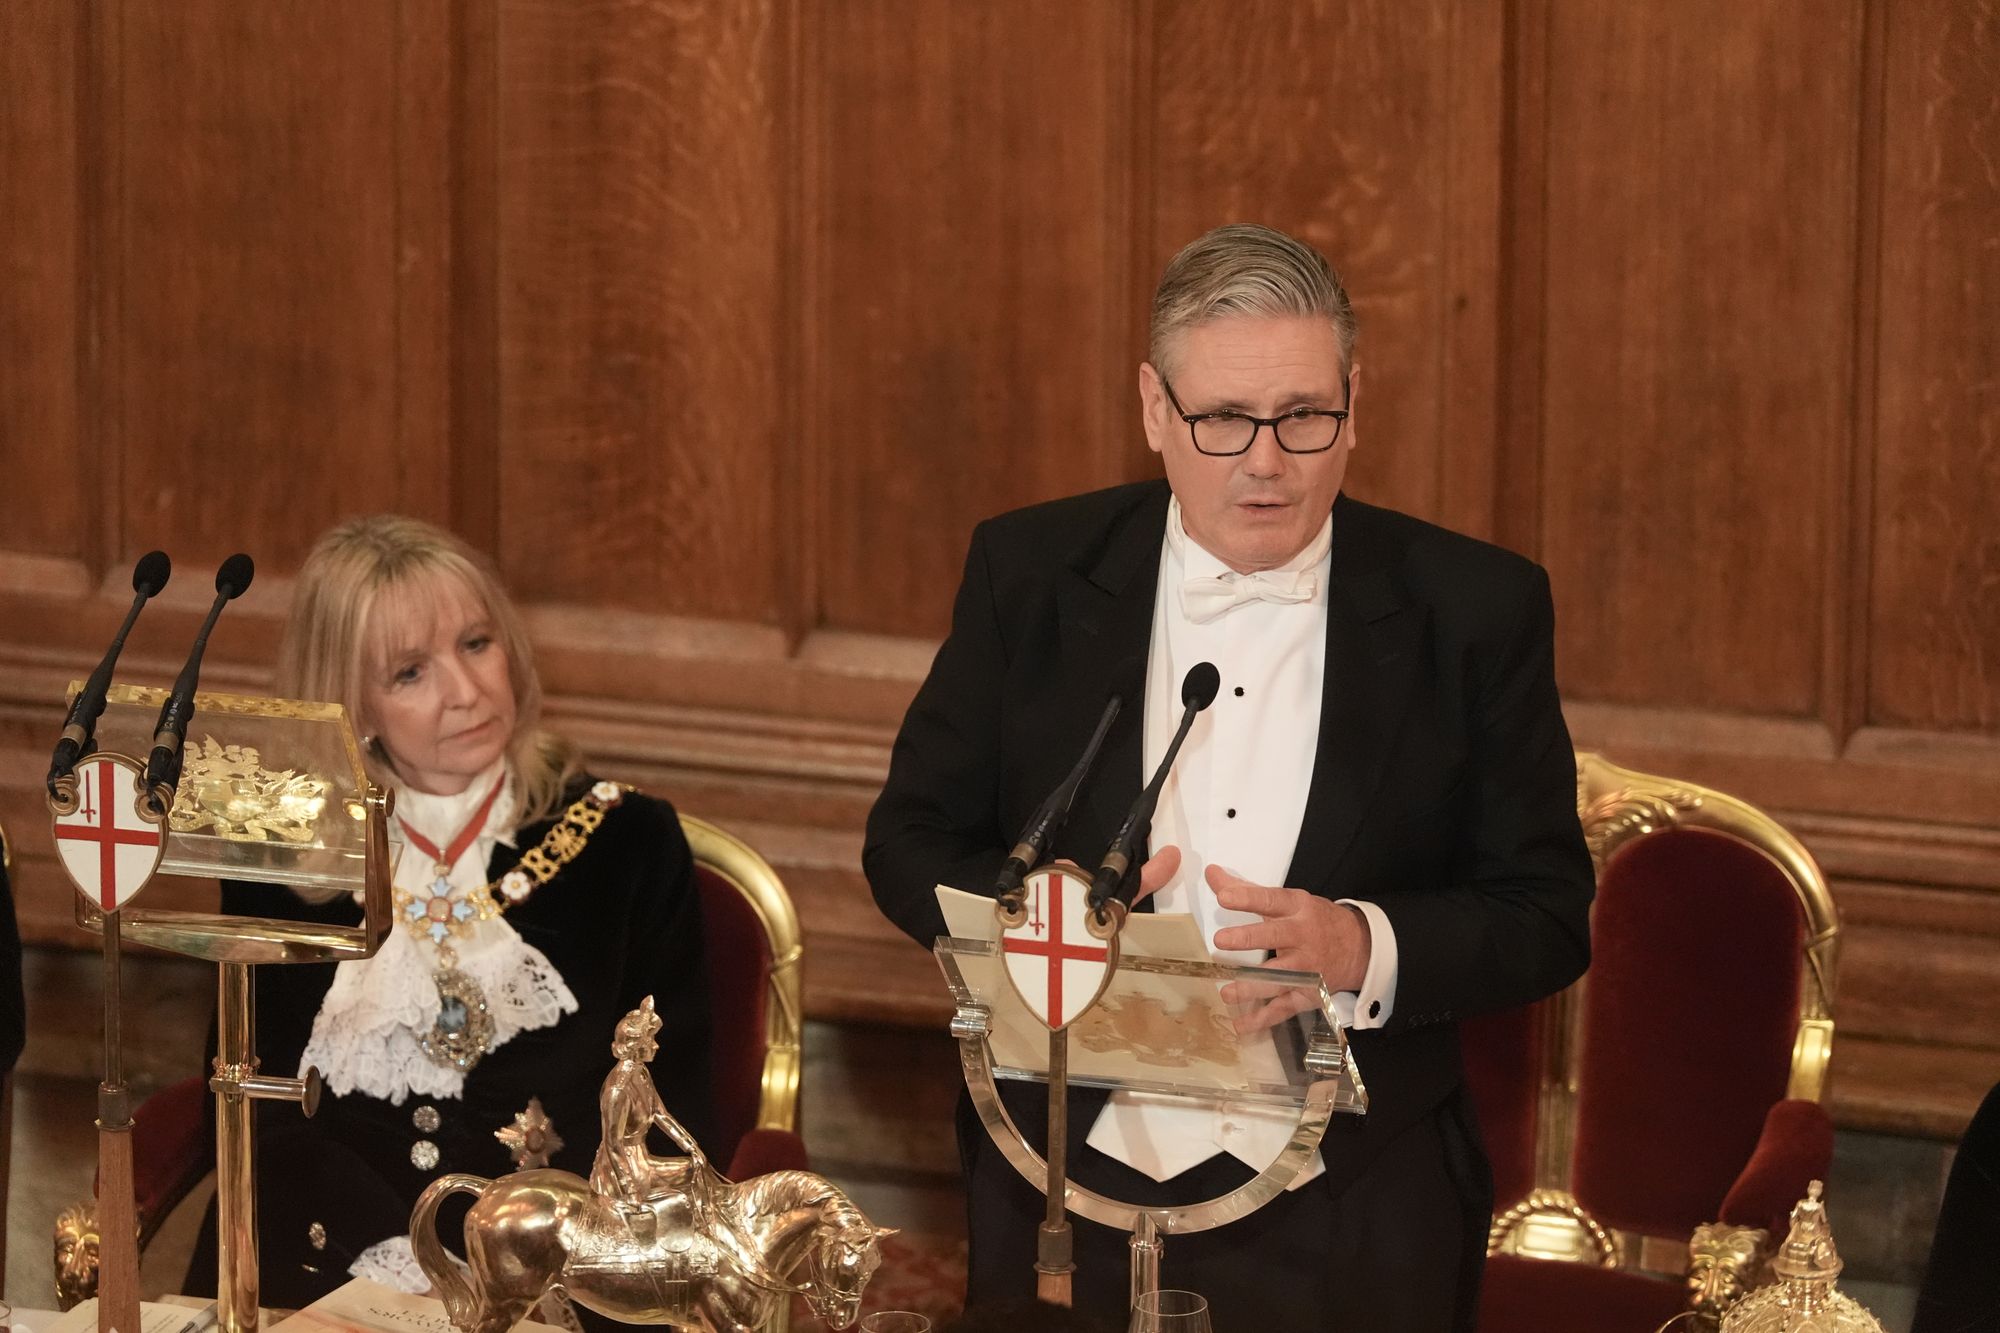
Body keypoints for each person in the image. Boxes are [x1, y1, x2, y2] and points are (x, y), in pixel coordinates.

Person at [865, 223, 1594, 1331]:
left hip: (1355, 1191)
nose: (1264, 460)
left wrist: (1364, 945)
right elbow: (909, 839)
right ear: (1154, 407)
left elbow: (1546, 912)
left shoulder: (1474, 610)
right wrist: (1037, 923)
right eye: (1221, 420)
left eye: (1303, 416)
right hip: (1063, 1162)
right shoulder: (1031, 574)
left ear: (1356, 402)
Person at [189, 514, 714, 1309]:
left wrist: (505, 1266)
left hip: (555, 1289)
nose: (467, 692)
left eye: (478, 644)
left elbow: (673, 1115)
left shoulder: (626, 841)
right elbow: (245, 1103)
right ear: (351, 702)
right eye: (411, 672)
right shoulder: (284, 857)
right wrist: (401, 1264)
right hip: (319, 1270)